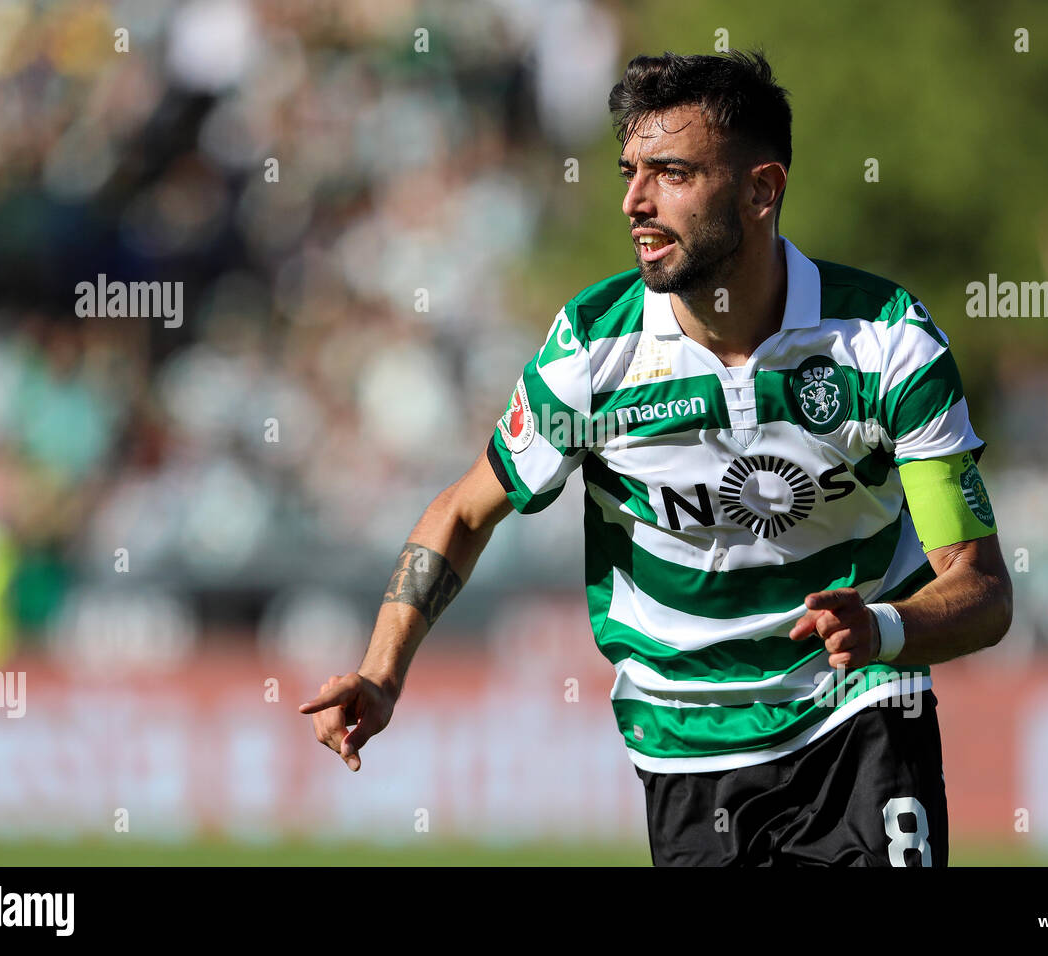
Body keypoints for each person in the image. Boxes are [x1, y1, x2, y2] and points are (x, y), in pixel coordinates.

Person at [300, 49, 1012, 867]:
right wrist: (382, 674)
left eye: (671, 173)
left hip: (861, 714)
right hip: (685, 745)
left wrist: (885, 627)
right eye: (629, 172)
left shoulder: (887, 342)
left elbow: (983, 589)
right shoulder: (595, 351)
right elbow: (464, 511)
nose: (636, 202)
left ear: (761, 190)